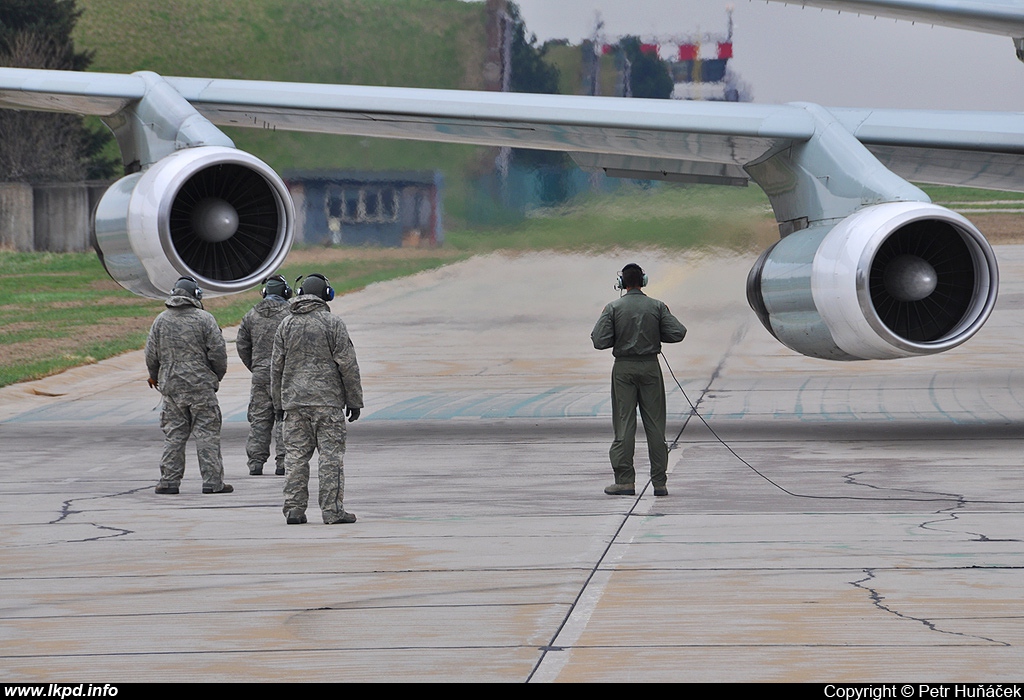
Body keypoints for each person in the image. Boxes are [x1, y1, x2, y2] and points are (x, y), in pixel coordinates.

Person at [271, 273, 363, 525]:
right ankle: (332, 511)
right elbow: (348, 365)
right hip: (327, 403)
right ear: (326, 295)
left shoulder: (285, 325)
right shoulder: (333, 324)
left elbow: (275, 368)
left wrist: (278, 404)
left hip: (294, 403)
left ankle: (294, 509)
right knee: (330, 457)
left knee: (296, 457)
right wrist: (354, 400)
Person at [591, 263, 686, 497]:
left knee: (624, 425)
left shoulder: (612, 308)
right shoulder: (657, 306)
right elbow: (678, 333)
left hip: (624, 368)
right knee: (655, 426)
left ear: (622, 283)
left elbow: (599, 341)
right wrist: (656, 331)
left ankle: (624, 481)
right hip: (650, 367)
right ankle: (659, 482)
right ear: (643, 281)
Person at [146, 276, 232, 495]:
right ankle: (213, 482)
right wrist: (215, 377)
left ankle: (168, 482)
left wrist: (155, 376)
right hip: (201, 387)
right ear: (196, 296)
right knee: (207, 435)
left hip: (172, 388)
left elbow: (151, 354)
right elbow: (218, 353)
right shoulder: (205, 319)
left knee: (174, 435)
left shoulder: (161, 320)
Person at [237, 274, 292, 476]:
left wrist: (255, 366)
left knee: (259, 419)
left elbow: (242, 344)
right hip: (285, 375)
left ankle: (255, 463)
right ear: (285, 292)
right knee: (284, 417)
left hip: (260, 374)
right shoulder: (291, 314)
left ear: (265, 292)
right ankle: (283, 463)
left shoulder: (251, 315)